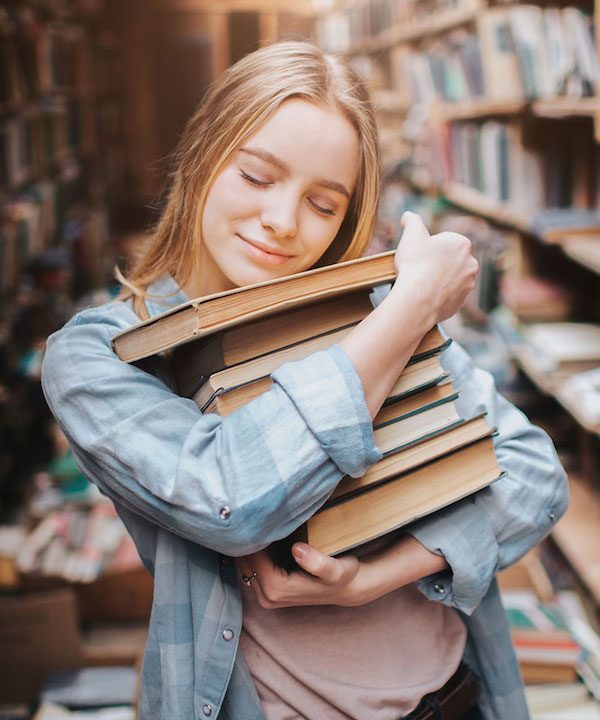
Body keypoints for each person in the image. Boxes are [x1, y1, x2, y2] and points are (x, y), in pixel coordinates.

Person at [41, 41, 568, 720]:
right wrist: (414, 306)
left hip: (456, 698)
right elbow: (232, 499)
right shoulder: (101, 355)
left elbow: (533, 471)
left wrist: (377, 574)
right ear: (204, 155)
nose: (283, 223)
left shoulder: (371, 313)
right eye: (257, 177)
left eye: (324, 205)